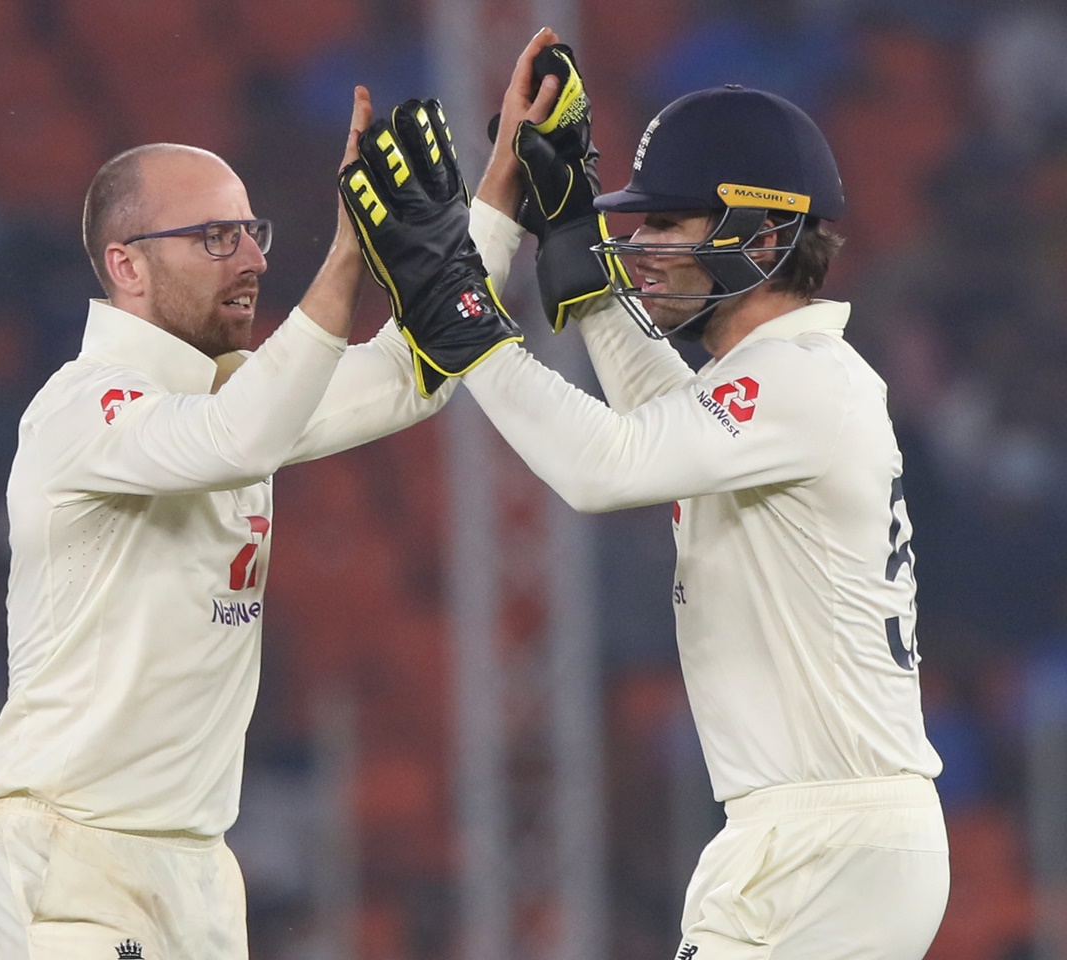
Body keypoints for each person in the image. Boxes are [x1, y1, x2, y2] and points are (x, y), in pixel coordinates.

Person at [344, 30, 950, 960]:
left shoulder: (800, 381)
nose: (646, 245)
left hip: (822, 845)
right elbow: (662, 417)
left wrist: (457, 312)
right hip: (825, 839)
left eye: (668, 225)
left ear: (760, 232)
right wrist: (570, 239)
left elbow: (606, 466)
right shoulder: (787, 382)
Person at [0, 86, 520, 960]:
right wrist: (346, 258)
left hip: (197, 870)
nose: (250, 258)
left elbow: (421, 370)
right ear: (127, 267)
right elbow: (240, 435)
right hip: (71, 860)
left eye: (252, 232)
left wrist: (495, 202)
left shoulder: (236, 394)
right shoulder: (81, 410)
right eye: (214, 238)